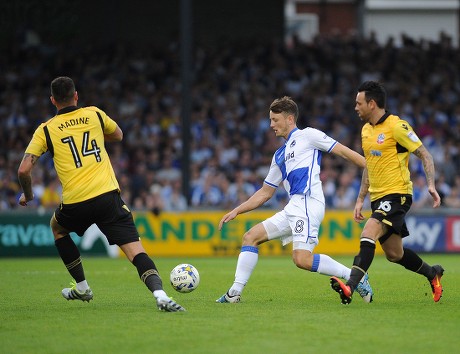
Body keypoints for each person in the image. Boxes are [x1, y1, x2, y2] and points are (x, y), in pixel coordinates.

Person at [17, 76, 185, 312]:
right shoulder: (94, 114)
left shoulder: (46, 130)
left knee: (57, 228)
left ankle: (83, 286)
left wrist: (29, 195)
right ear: (76, 95)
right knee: (136, 251)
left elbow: (24, 169)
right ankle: (161, 295)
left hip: (76, 202)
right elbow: (118, 135)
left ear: (53, 100)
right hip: (107, 196)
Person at [216, 96, 374, 304]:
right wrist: (237, 210)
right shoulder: (279, 155)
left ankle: (356, 277)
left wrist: (371, 168)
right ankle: (233, 294)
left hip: (309, 202)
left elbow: (343, 152)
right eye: (270, 120)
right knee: (250, 237)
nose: (271, 125)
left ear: (290, 119)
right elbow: (265, 193)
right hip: (293, 207)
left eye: (275, 119)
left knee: (302, 259)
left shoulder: (308, 135)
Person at [330, 81, 444, 304]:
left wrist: (431, 185)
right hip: (378, 197)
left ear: (372, 104)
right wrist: (360, 198)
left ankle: (350, 287)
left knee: (369, 232)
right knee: (395, 254)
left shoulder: (397, 127)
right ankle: (433, 274)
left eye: (359, 103)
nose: (355, 107)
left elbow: (425, 154)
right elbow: (369, 167)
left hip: (398, 194)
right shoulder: (365, 130)